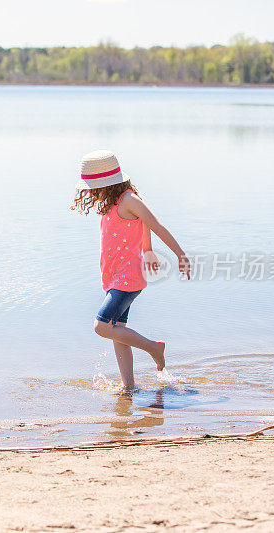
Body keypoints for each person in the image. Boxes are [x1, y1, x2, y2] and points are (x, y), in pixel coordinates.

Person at [71, 150, 190, 389]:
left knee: (102, 326)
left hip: (128, 277)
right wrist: (146, 248)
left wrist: (180, 255)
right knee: (117, 331)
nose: (91, 191)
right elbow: (141, 224)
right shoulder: (110, 200)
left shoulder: (128, 200)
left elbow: (155, 223)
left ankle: (154, 348)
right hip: (113, 275)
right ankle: (129, 387)